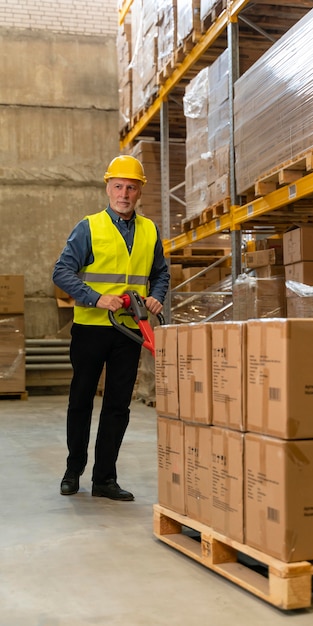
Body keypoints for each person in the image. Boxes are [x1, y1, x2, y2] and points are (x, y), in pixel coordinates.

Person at [53, 155, 170, 501]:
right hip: (91, 328)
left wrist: (156, 296)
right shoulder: (89, 227)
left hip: (129, 330)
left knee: (118, 405)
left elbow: (160, 272)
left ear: (139, 192)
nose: (124, 193)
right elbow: (62, 272)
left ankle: (105, 478)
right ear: (108, 188)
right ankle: (73, 471)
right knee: (81, 400)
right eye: (118, 186)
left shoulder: (149, 230)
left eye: (131, 187)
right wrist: (93, 297)